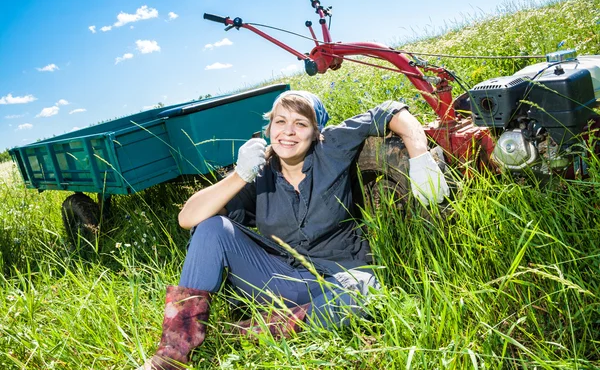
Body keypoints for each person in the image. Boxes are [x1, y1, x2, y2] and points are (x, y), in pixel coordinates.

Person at [140, 91, 449, 369]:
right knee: (212, 228)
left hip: (338, 278)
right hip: (279, 278)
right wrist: (240, 174)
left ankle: (254, 330)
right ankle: (172, 355)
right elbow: (189, 218)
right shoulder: (258, 172)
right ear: (269, 128)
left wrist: (420, 156)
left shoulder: (333, 147)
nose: (288, 131)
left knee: (362, 291)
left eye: (301, 123)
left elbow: (392, 111)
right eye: (280, 121)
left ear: (317, 132)